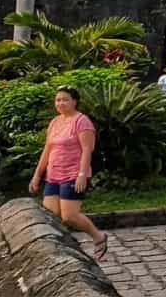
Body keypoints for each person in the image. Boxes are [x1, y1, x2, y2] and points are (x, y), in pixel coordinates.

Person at [29, 86, 108, 259]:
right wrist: (37, 174)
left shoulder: (82, 121)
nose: (61, 103)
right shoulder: (55, 122)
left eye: (65, 99)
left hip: (73, 174)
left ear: (75, 101)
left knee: (70, 216)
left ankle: (98, 237)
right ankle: (65, 248)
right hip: (53, 174)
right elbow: (47, 150)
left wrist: (82, 174)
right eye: (58, 100)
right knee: (51, 216)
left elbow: (88, 149)